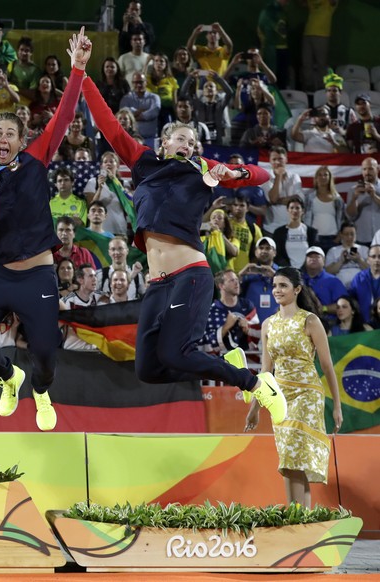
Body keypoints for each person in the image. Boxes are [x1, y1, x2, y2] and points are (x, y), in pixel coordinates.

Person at [80, 38, 287, 423]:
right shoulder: (143, 162)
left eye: (194, 141)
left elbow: (263, 173)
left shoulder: (202, 169)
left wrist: (232, 171)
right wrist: (81, 72)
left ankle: (256, 383)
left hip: (190, 274)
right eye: (182, 138)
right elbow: (107, 123)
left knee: (176, 353)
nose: (189, 144)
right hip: (157, 284)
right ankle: (227, 364)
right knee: (148, 369)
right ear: (163, 142)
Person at [0, 28, 88, 432]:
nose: (2, 138)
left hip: (38, 275)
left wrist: (78, 70)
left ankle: (40, 391)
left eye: (9, 133)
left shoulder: (36, 159)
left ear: (21, 140)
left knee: (47, 355)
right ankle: (8, 377)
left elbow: (65, 115)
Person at [245, 267, 343, 507]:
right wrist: (255, 408)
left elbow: (327, 367)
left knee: (293, 454)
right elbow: (266, 372)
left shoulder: (310, 321)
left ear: (297, 289)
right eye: (275, 286)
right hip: (280, 396)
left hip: (307, 394)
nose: (277, 290)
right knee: (289, 460)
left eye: (283, 286)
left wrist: (337, 406)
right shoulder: (268, 324)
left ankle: (296, 516)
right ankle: (301, 517)